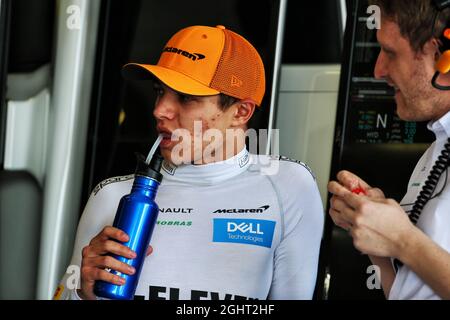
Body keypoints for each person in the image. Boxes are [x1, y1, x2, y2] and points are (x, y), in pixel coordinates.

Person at [54, 25, 324, 300]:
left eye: (185, 98)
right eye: (160, 92)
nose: (159, 110)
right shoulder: (112, 195)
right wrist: (80, 292)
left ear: (241, 111)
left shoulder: (288, 185)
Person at [328, 0, 450, 300]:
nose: (379, 69)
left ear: (444, 58)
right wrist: (377, 239)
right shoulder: (435, 153)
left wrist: (402, 239)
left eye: (391, 52)